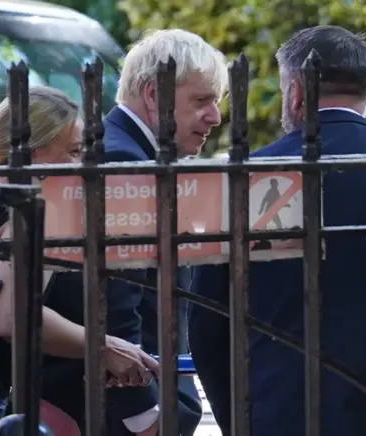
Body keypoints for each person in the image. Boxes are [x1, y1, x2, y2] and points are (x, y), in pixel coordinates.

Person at [188, 25, 366, 436]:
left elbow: (208, 324)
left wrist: (240, 420)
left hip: (282, 409)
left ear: (295, 94)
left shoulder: (243, 176)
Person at [0, 85, 160, 434]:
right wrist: (103, 345)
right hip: (28, 405)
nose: (84, 163)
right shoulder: (36, 211)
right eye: (74, 151)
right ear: (33, 152)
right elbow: (12, 317)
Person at [102, 28, 228, 436]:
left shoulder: (128, 151)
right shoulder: (124, 159)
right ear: (154, 94)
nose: (215, 116)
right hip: (131, 408)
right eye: (201, 101)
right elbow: (116, 297)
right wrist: (143, 415)